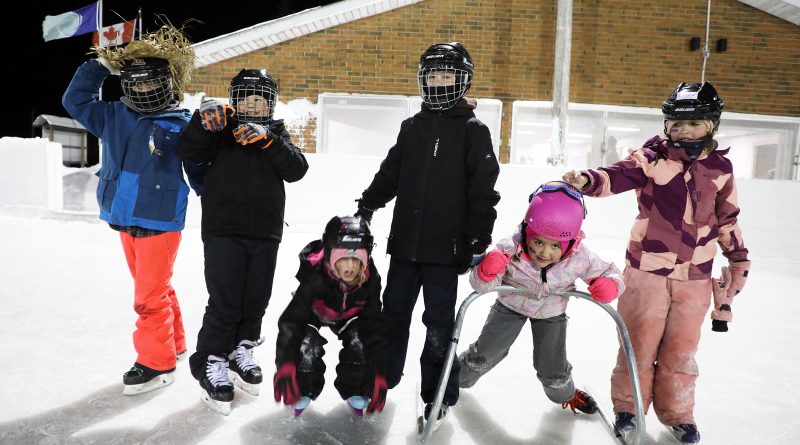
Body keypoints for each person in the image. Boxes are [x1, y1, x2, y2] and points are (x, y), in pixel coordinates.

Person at [562, 82, 751, 444]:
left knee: (681, 348)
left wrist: (738, 258)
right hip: (647, 269)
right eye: (675, 124)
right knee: (638, 342)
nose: (681, 131)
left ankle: (678, 413)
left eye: (692, 124)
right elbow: (617, 175)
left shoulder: (720, 168)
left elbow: (728, 219)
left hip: (695, 275)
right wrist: (588, 179)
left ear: (711, 125)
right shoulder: (651, 158)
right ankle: (629, 410)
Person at [353, 42, 501, 425]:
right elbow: (391, 173)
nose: (439, 82)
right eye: (433, 76)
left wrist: (476, 238)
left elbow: (483, 190)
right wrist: (369, 202)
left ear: (463, 80)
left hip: (444, 250)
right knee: (393, 315)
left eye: (447, 76)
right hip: (404, 248)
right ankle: (380, 379)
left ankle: (438, 393)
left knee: (438, 326)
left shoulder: (474, 132)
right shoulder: (413, 127)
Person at [62, 26, 204, 396]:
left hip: (160, 221)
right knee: (157, 290)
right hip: (124, 219)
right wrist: (99, 69)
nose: (142, 90)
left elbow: (205, 172)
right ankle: (174, 345)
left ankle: (157, 365)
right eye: (135, 84)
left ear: (167, 83)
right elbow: (74, 101)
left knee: (147, 298)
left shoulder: (182, 125)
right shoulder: (113, 116)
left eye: (149, 84)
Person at [176, 68, 309, 415]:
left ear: (271, 106)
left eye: (261, 99)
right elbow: (187, 148)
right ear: (234, 100)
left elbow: (297, 170)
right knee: (225, 300)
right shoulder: (219, 130)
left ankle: (240, 350)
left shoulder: (277, 134)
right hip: (223, 229)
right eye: (246, 97)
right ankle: (211, 360)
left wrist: (269, 140)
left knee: (255, 299)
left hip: (265, 232)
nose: (253, 104)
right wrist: (201, 123)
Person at [459, 181, 624, 416]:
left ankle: (565, 394)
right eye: (538, 242)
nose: (544, 253)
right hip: (509, 307)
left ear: (570, 242)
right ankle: (453, 380)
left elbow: (611, 272)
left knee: (551, 367)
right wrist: (486, 272)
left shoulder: (579, 256)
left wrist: (609, 284)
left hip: (551, 313)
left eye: (555, 246)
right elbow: (480, 286)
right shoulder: (511, 246)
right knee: (486, 351)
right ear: (527, 231)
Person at [272, 216, 388, 418]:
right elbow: (292, 321)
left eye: (356, 258)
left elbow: (374, 325)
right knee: (306, 344)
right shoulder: (316, 275)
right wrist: (286, 363)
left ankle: (356, 389)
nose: (350, 267)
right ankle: (303, 387)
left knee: (360, 342)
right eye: (343, 258)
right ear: (330, 257)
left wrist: (378, 370)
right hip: (315, 313)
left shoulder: (370, 280)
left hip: (350, 315)